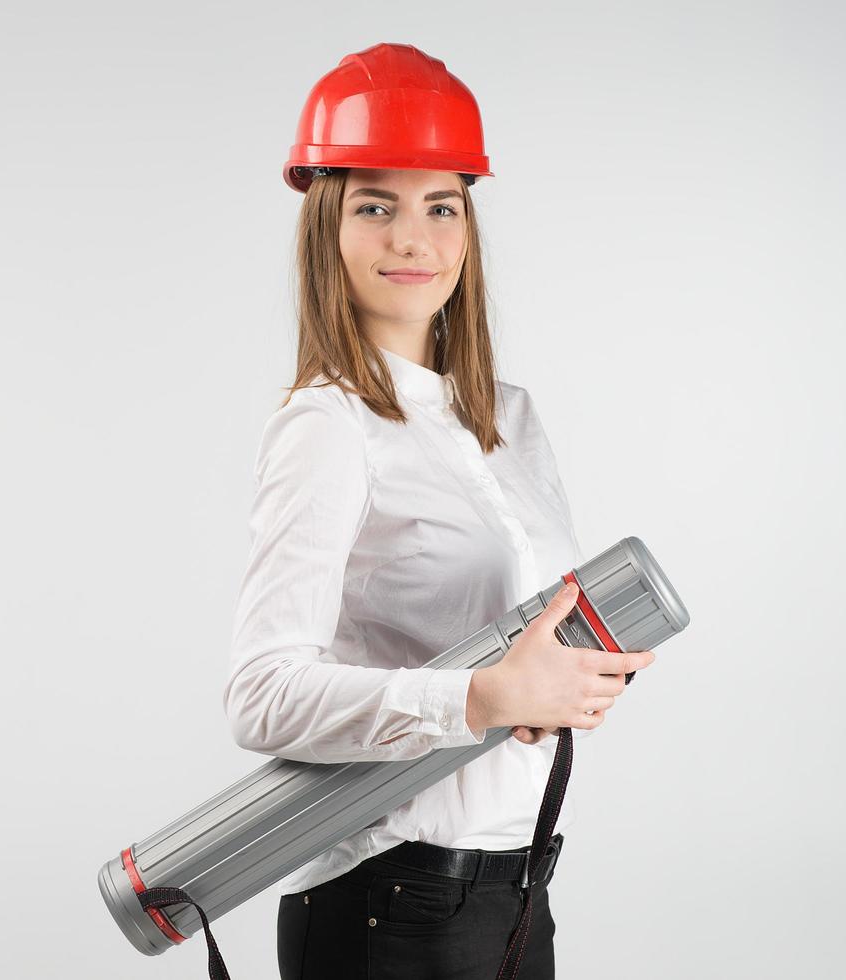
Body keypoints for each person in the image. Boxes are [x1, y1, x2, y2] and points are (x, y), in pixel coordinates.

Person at [222, 44, 656, 980]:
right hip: (392, 902)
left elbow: (514, 636)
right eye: (375, 205)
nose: (412, 239)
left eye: (440, 205)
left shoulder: (508, 417)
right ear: (325, 227)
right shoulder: (326, 426)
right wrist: (481, 697)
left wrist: (574, 678)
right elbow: (261, 696)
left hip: (518, 894)